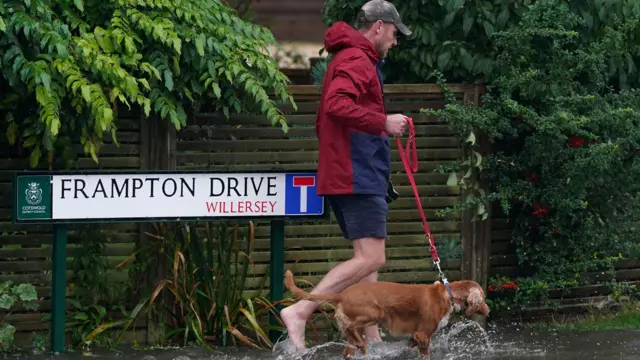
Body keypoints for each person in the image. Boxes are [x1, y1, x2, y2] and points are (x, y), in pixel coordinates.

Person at [279, 0, 412, 351]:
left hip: (355, 169)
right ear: (379, 26)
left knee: (367, 259)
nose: (395, 42)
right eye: (395, 34)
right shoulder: (356, 58)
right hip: (356, 171)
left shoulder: (353, 56)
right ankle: (301, 311)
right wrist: (383, 122)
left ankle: (373, 338)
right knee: (372, 258)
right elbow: (336, 105)